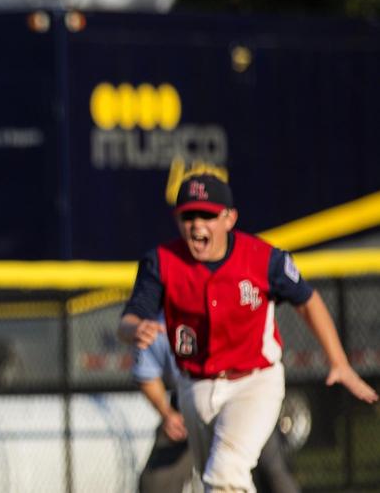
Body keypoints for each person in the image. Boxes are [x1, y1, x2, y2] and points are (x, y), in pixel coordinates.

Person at [118, 173, 377, 492]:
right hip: (194, 388)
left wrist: (339, 361)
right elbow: (129, 320)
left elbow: (308, 301)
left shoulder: (263, 259)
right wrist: (135, 329)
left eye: (208, 215)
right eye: (189, 215)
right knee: (216, 480)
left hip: (254, 383)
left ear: (229, 218)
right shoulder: (161, 262)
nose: (197, 225)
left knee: (225, 474)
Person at [133, 328, 300, 493]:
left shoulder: (228, 308)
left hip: (244, 399)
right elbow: (146, 374)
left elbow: (304, 302)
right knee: (155, 482)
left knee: (270, 471)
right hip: (187, 405)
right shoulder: (158, 322)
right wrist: (167, 413)